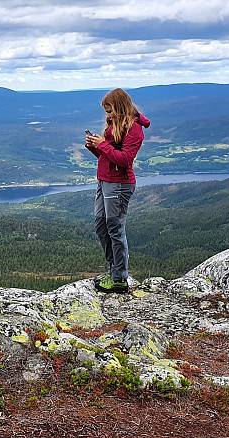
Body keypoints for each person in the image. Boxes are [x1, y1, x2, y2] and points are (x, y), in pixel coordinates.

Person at [85, 88, 150, 293]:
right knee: (101, 226)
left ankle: (120, 278)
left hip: (120, 185)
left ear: (120, 108)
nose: (108, 116)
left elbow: (124, 160)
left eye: (110, 111)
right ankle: (113, 271)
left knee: (115, 229)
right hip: (105, 181)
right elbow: (108, 158)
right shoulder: (114, 126)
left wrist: (103, 145)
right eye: (106, 112)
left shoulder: (135, 130)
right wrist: (94, 147)